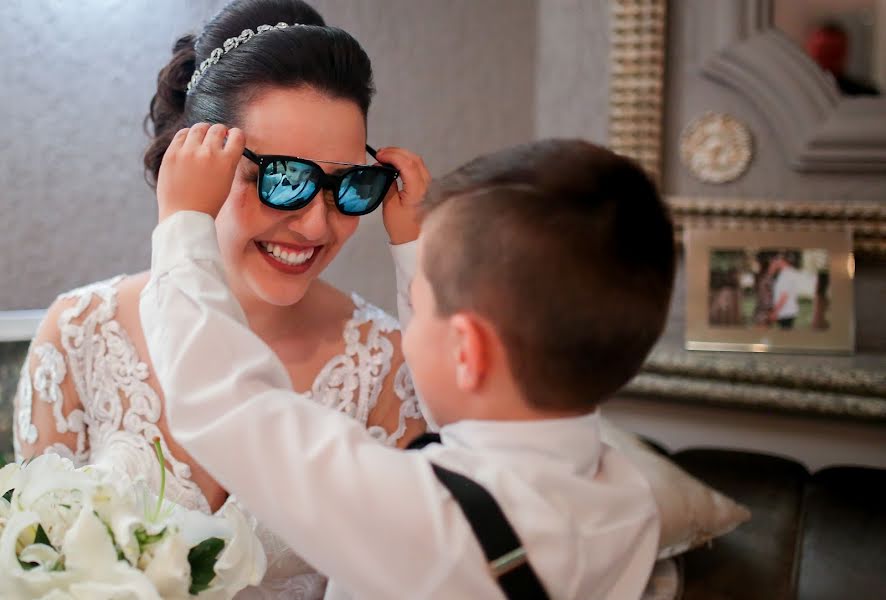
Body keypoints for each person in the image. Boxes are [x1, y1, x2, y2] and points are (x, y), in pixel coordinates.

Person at [140, 133, 674, 599]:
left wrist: (185, 224)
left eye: (422, 304)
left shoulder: (425, 520)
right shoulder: (628, 498)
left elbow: (225, 403)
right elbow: (475, 414)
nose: (408, 326)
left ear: (468, 351)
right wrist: (416, 245)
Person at [12, 1, 428, 597]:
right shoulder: (79, 332)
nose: (315, 227)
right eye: (282, 179)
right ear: (195, 163)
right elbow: (34, 571)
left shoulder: (389, 362)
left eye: (348, 186)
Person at [770, 254, 801, 329]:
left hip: (785, 312)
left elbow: (784, 296)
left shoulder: (786, 275)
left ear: (780, 261)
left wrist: (775, 312)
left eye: (774, 261)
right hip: (787, 312)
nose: (773, 263)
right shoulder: (788, 272)